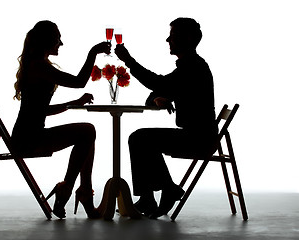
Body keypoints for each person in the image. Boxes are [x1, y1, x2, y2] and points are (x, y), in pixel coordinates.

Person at [115, 17, 218, 219]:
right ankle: (154, 195)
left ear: (187, 38)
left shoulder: (192, 67)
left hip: (198, 139)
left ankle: (161, 191)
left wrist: (129, 61)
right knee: (141, 139)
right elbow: (160, 89)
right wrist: (159, 97)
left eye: (172, 35)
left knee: (140, 139)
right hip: (199, 136)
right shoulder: (191, 66)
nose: (167, 40)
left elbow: (158, 83)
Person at [11, 20, 111, 219]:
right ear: (47, 41)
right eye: (58, 39)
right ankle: (72, 189)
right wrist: (93, 53)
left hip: (28, 134)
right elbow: (79, 82)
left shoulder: (37, 66)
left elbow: (41, 110)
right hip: (29, 139)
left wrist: (73, 103)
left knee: (87, 134)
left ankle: (80, 190)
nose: (61, 44)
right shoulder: (39, 67)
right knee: (87, 131)